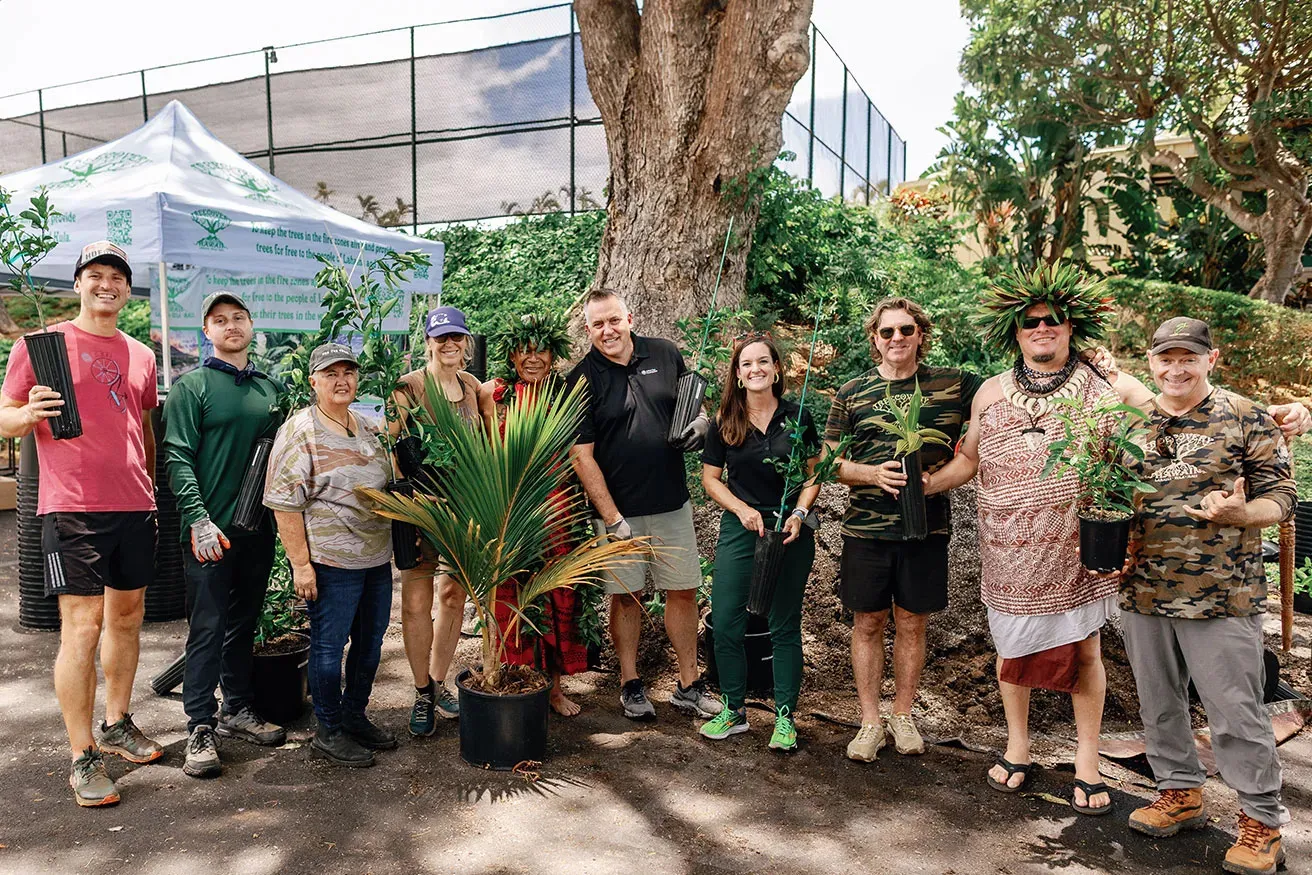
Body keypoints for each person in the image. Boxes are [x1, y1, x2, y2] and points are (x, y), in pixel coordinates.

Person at [1120, 318, 1296, 875]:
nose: (1176, 369)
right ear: (1150, 362)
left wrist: (1244, 513)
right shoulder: (1134, 424)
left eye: (1188, 358)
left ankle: (1261, 821)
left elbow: (1284, 498)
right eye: (1165, 358)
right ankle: (1180, 792)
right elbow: (1108, 493)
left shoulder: (1246, 416)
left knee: (1234, 712)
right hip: (1142, 590)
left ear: (1210, 359)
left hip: (1221, 595)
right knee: (1159, 702)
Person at [0, 241, 162, 807]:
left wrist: (147, 489)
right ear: (78, 284)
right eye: (95, 275)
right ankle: (82, 753)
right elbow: (6, 414)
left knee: (127, 617)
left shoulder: (142, 354)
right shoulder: (40, 347)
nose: (106, 284)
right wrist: (25, 415)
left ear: (125, 289)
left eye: (116, 276)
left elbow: (139, 425)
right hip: (71, 507)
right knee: (82, 625)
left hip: (135, 505)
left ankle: (118, 724)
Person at [823, 297, 982, 761]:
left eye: (906, 330)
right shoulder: (852, 392)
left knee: (913, 622)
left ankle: (904, 713)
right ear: (874, 339)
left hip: (926, 529)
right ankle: (870, 721)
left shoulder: (953, 385)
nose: (897, 339)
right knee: (868, 621)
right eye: (887, 332)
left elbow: (1009, 390)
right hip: (866, 530)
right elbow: (829, 461)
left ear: (920, 335)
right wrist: (872, 474)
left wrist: (936, 480)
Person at [567, 288, 720, 720]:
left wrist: (703, 425)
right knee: (626, 596)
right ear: (588, 329)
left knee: (684, 590)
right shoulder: (581, 378)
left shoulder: (666, 354)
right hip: (619, 513)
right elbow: (582, 456)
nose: (607, 330)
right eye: (598, 324)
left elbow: (697, 406)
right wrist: (612, 518)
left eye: (613, 320)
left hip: (672, 502)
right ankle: (630, 682)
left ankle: (689, 683)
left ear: (629, 318)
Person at [162, 291, 286, 779]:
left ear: (251, 326)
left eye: (239, 317)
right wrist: (197, 517)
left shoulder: (270, 389)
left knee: (243, 622)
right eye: (220, 320)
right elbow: (176, 456)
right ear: (206, 332)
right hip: (209, 531)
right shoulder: (192, 387)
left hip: (257, 529)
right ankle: (199, 723)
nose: (231, 325)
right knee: (208, 626)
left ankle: (236, 708)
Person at [263, 342, 395, 767]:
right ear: (313, 381)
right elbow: (284, 502)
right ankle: (330, 729)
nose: (342, 381)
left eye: (348, 373)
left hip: (375, 556)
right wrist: (301, 564)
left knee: (370, 645)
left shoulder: (367, 424)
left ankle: (355, 715)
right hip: (331, 561)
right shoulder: (301, 430)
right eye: (331, 374)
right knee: (328, 647)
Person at [699, 335, 821, 752]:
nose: (755, 369)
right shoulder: (725, 421)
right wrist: (740, 509)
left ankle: (785, 717)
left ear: (776, 369)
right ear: (737, 373)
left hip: (790, 526)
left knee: (783, 624)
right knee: (728, 620)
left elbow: (813, 474)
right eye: (746, 364)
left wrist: (800, 513)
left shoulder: (798, 415)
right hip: (742, 526)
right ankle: (734, 710)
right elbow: (710, 480)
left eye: (763, 362)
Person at [478, 312, 589, 716]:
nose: (532, 357)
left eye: (540, 349)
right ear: (511, 354)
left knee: (554, 590)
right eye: (524, 350)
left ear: (553, 353)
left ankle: (555, 689)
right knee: (510, 596)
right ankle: (511, 680)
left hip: (556, 509)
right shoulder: (495, 393)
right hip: (509, 508)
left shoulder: (568, 393)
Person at [388, 306, 483, 737]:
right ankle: (421, 691)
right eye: (441, 337)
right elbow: (391, 449)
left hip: (464, 507)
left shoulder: (472, 387)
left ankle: (440, 681)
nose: (449, 345)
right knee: (416, 602)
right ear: (428, 340)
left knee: (452, 595)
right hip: (420, 509)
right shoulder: (409, 387)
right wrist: (412, 498)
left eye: (456, 337)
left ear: (466, 342)